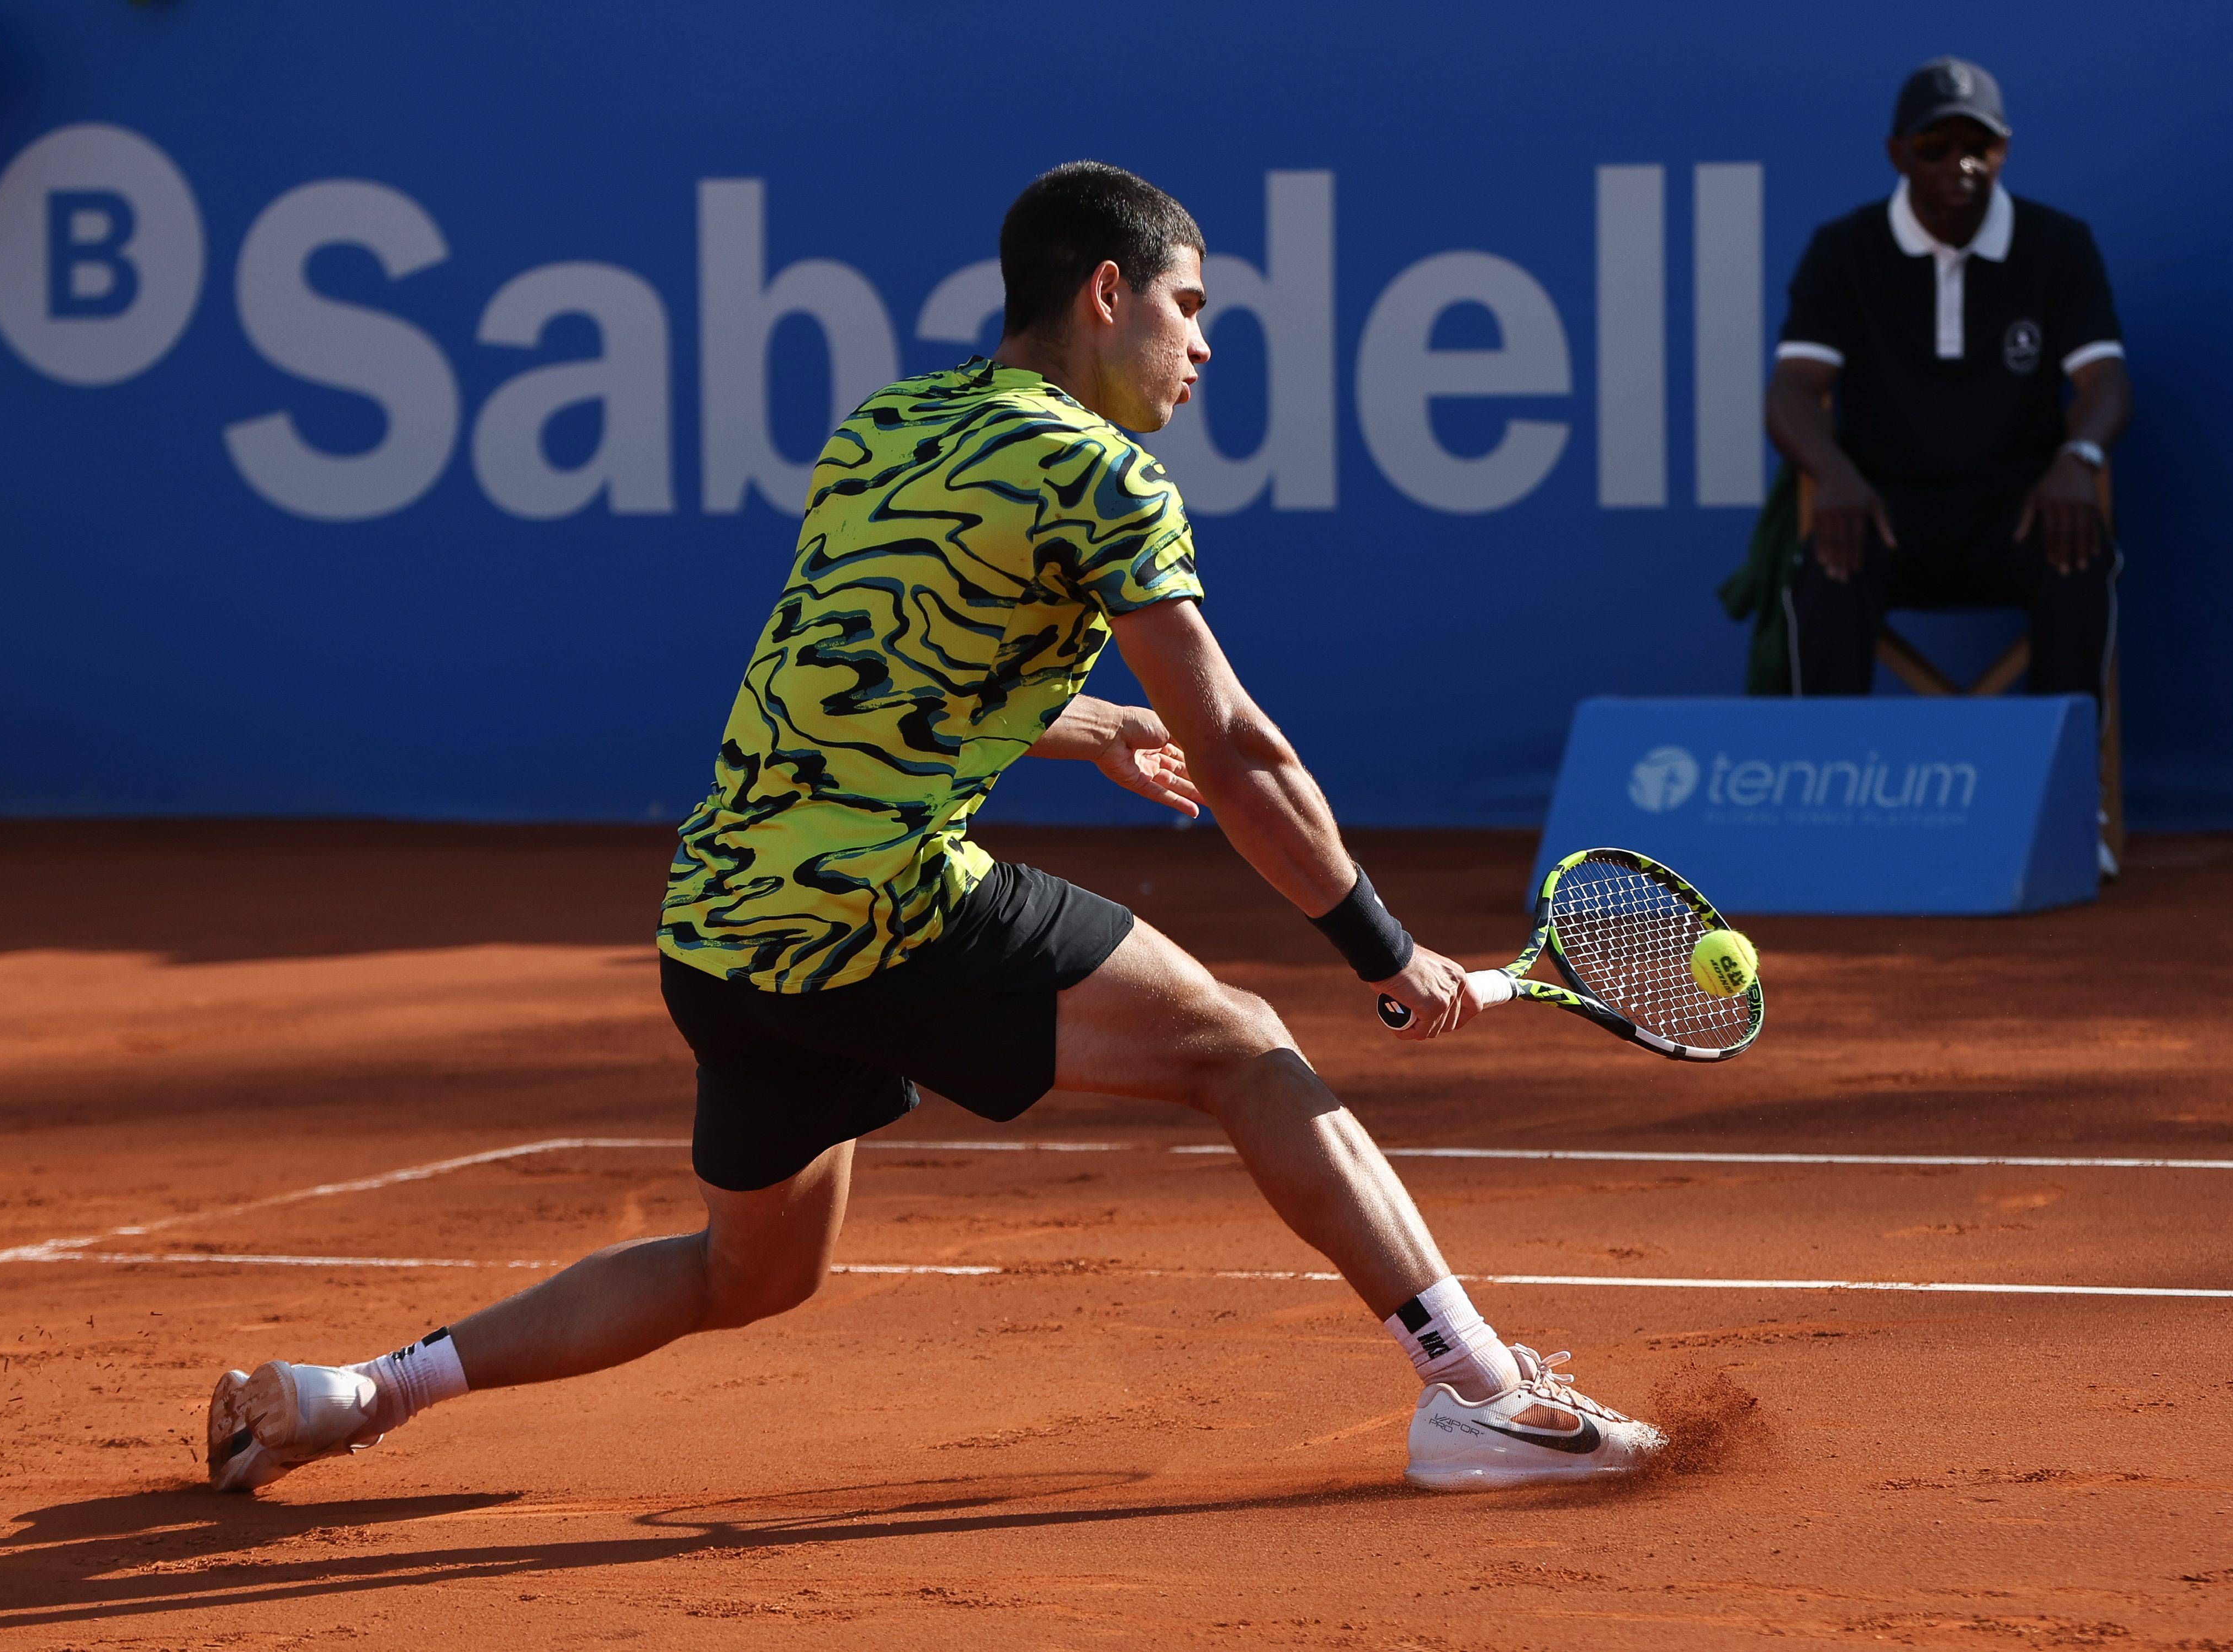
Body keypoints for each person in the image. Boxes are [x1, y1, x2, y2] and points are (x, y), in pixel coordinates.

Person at [205, 161, 1664, 1497]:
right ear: (1107, 292)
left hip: (718, 920)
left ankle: (360, 1390)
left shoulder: (887, 423)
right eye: (1190, 306)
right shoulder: (1105, 475)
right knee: (1239, 1044)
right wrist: (1384, 949)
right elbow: (1238, 749)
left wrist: (1089, 726)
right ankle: (1477, 1392)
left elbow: (868, 672)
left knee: (748, 1273)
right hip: (881, 909)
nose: (1204, 346)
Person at [1768, 57, 2131, 713]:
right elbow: (1791, 389)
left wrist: (2078, 459)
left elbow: (2104, 380)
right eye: (1934, 147)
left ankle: (2066, 774)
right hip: (1884, 510)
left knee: (2077, 551)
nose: (1959, 164)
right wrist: (1835, 475)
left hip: (2019, 509)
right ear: (1897, 154)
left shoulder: (2057, 244)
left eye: (1978, 146)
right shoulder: (1844, 249)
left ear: (2004, 150)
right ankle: (1824, 769)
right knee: (1831, 561)